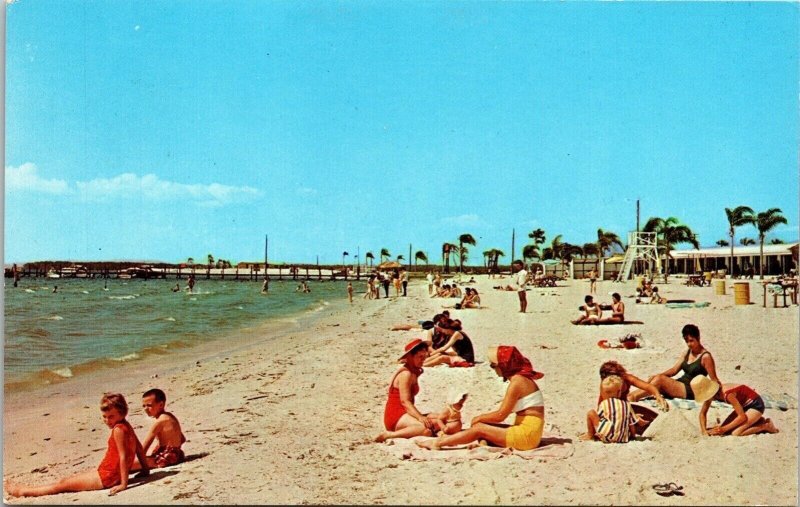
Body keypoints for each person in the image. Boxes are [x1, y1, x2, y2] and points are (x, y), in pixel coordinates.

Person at [5, 393, 149, 498]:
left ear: (122, 413)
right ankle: (25, 489)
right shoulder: (126, 425)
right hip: (109, 472)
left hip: (107, 477)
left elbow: (124, 457)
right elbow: (138, 448)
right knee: (65, 481)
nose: (107, 421)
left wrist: (124, 484)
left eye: (111, 416)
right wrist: (145, 469)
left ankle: (23, 491)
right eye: (104, 417)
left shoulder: (118, 430)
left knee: (61, 486)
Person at [417, 345, 545, 451]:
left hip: (527, 436)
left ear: (504, 365)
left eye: (493, 366)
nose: (494, 370)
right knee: (483, 425)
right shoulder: (522, 379)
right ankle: (483, 444)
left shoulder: (517, 382)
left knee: (479, 427)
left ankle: (439, 443)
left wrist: (477, 418)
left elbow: (501, 415)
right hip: (531, 432)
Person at [628, 324, 719, 402]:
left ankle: (634, 397)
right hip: (681, 384)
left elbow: (714, 380)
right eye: (687, 341)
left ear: (698, 338)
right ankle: (632, 395)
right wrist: (657, 375)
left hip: (691, 389)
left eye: (691, 341)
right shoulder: (687, 352)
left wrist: (718, 393)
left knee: (660, 380)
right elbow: (674, 370)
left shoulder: (706, 357)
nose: (689, 344)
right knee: (657, 379)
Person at [375, 339, 435, 442]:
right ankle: (389, 435)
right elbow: (405, 401)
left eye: (424, 357)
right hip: (396, 415)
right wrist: (420, 417)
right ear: (410, 357)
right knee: (424, 429)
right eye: (420, 357)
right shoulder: (405, 374)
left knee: (434, 422)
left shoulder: (413, 372)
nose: (423, 360)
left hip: (405, 412)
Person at [692, 375, 779, 437]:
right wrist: (704, 431)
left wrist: (723, 429)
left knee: (736, 433)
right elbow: (702, 413)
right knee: (725, 430)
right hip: (743, 406)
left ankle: (765, 425)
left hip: (755, 405)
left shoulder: (727, 394)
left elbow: (742, 417)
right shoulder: (712, 394)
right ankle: (755, 420)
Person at [595, 360, 668, 432]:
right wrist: (632, 416)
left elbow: (648, 386)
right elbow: (607, 407)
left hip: (624, 407)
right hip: (612, 410)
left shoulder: (626, 378)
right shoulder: (605, 387)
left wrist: (658, 395)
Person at [135, 389, 186, 470]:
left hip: (165, 458)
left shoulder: (160, 422)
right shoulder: (170, 416)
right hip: (178, 455)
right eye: (144, 406)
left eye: (149, 405)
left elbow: (143, 449)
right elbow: (182, 439)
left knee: (127, 465)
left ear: (161, 405)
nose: (145, 409)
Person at [580, 375, 639, 443]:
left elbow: (599, 418)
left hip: (606, 436)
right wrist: (633, 436)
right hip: (622, 438)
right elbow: (631, 423)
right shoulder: (627, 404)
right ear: (619, 392)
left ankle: (590, 435)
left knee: (591, 413)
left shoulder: (604, 403)